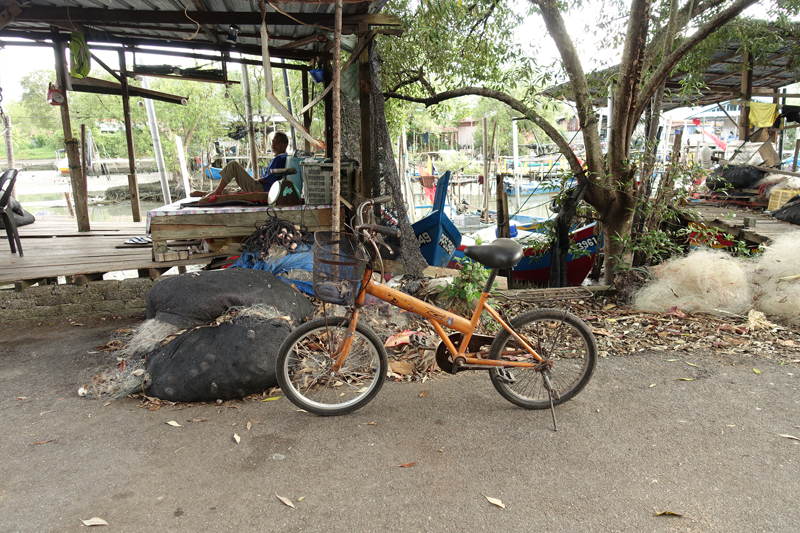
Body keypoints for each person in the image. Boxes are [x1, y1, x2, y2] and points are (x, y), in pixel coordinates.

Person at [197, 132, 290, 198]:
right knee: (235, 190)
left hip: (262, 189)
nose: (273, 144)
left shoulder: (280, 159)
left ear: (285, 145)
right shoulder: (280, 157)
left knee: (233, 165)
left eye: (276, 142)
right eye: (273, 141)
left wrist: (255, 181)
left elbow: (271, 179)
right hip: (262, 186)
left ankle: (216, 191)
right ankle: (208, 192)